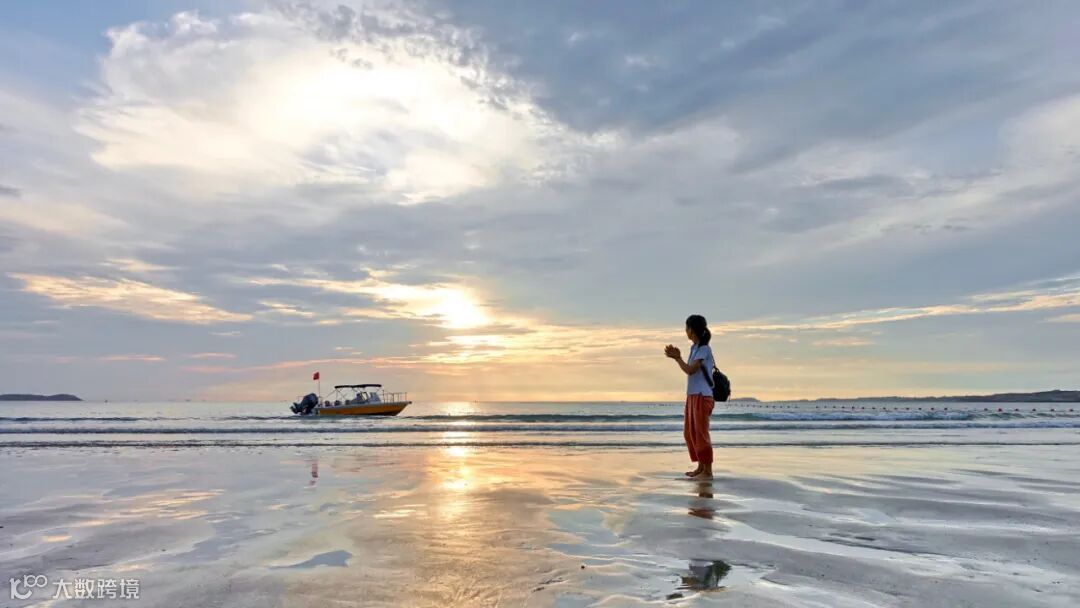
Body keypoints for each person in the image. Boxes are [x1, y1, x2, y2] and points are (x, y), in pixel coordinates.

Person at [664, 314, 716, 479]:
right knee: (690, 433)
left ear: (692, 330)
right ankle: (701, 467)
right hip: (693, 395)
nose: (685, 331)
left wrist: (677, 358)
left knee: (701, 434)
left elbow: (690, 370)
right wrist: (678, 358)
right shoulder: (694, 348)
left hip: (702, 395)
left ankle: (708, 471)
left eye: (687, 328)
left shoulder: (704, 349)